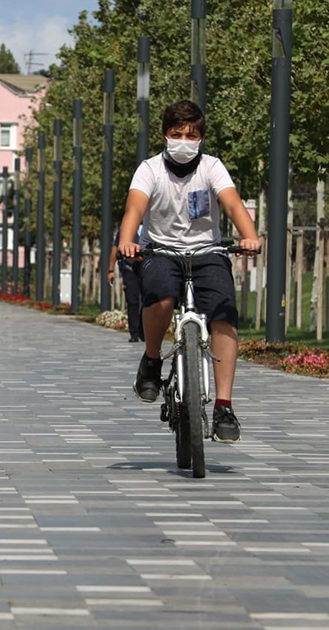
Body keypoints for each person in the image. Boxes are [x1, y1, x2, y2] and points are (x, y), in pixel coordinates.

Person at [116, 100, 260, 444]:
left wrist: (249, 235)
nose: (184, 140)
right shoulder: (150, 170)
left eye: (191, 135)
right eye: (177, 134)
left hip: (206, 252)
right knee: (162, 297)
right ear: (166, 136)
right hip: (161, 251)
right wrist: (126, 241)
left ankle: (224, 405)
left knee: (224, 315)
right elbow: (135, 206)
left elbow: (232, 202)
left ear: (201, 138)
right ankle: (152, 360)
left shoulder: (211, 167)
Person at [108, 225, 144, 342]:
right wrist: (111, 270)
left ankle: (144, 331)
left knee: (147, 300)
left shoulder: (152, 226)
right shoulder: (126, 228)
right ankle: (134, 333)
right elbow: (115, 248)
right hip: (130, 269)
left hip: (147, 269)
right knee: (132, 300)